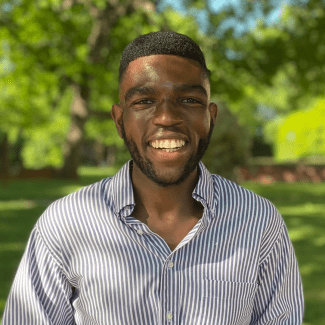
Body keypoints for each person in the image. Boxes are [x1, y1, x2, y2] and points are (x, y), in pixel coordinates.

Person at [1, 31, 303, 325]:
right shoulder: (65, 223)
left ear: (211, 117)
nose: (166, 117)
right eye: (144, 102)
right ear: (120, 121)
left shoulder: (259, 222)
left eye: (188, 100)